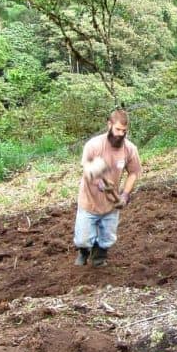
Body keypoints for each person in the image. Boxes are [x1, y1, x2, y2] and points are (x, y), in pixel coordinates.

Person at [73, 109, 142, 267]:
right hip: (89, 200)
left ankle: (98, 257)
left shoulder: (130, 149)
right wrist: (99, 182)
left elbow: (133, 173)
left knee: (107, 238)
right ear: (109, 125)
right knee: (83, 239)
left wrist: (124, 195)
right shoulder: (94, 145)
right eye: (118, 129)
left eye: (124, 131)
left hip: (111, 203)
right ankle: (83, 251)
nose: (120, 134)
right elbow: (87, 168)